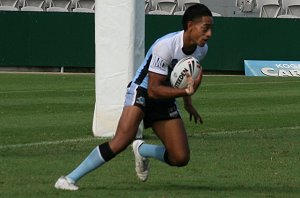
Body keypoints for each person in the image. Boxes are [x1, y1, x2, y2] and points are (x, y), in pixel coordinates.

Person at [55, 3, 213, 191]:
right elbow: (154, 89)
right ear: (190, 26)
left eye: (211, 28)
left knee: (180, 157)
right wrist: (185, 93)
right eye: (206, 28)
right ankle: (68, 179)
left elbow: (187, 79)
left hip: (165, 96)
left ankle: (142, 149)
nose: (209, 33)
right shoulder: (166, 46)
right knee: (122, 139)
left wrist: (188, 103)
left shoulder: (201, 50)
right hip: (143, 90)